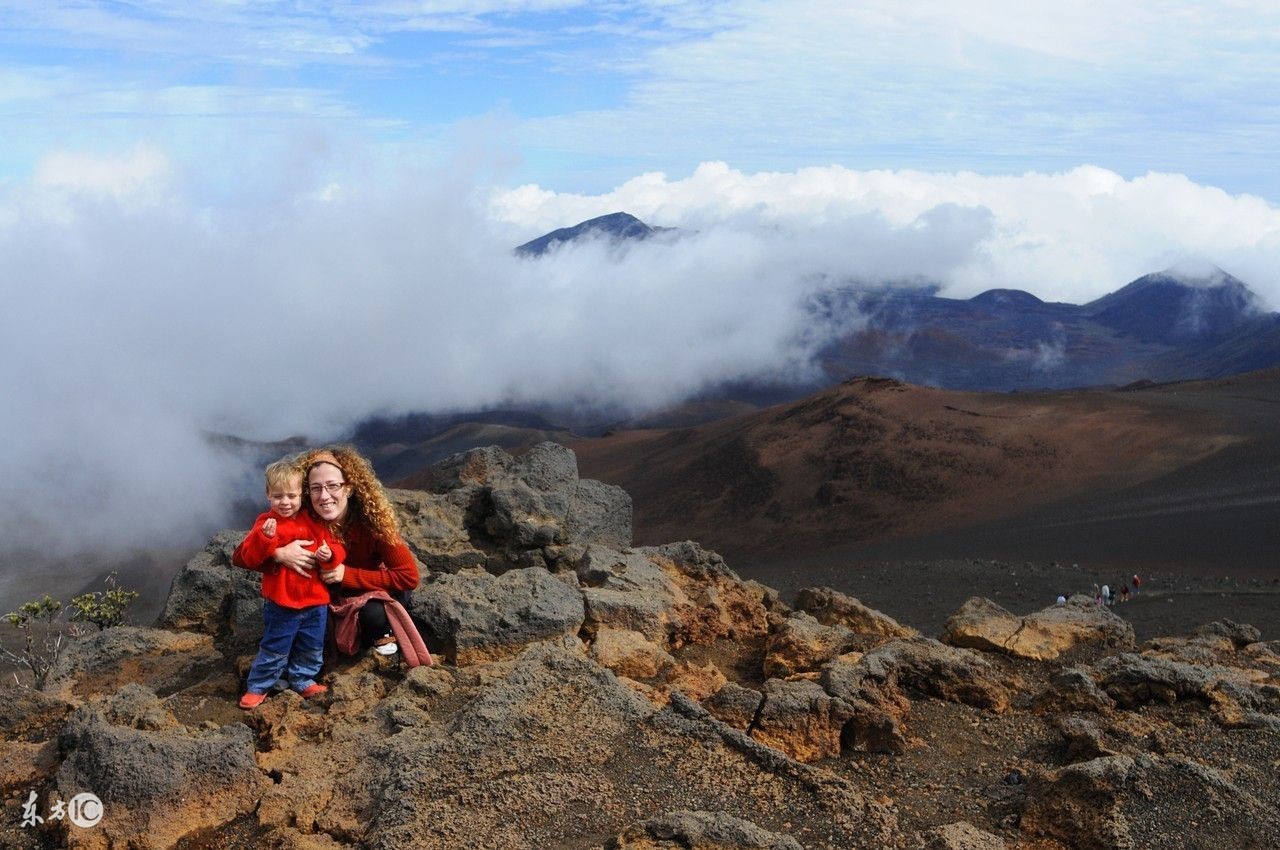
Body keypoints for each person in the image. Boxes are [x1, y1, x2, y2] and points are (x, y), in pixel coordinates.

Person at [233, 457, 345, 709]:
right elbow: (248, 556)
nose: (285, 502)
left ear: (301, 495)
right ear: (268, 495)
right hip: (282, 603)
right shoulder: (266, 524)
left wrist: (330, 556)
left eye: (291, 496)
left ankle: (303, 679)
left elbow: (334, 547)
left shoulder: (313, 521)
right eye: (278, 496)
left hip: (315, 602)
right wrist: (268, 542)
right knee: (275, 646)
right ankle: (259, 686)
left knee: (311, 646)